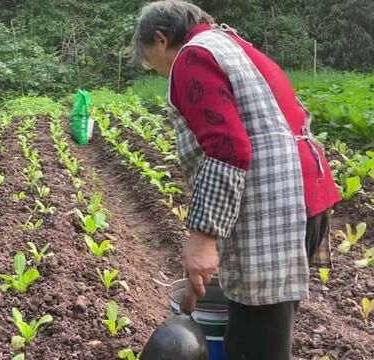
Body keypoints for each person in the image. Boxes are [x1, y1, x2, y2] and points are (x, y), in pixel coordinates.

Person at [131, 1, 342, 359]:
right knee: (262, 336)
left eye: (152, 63)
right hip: (304, 201)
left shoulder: (192, 58)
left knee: (253, 348)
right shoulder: (233, 45)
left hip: (275, 214)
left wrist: (203, 237)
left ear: (161, 38)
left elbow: (228, 148)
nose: (159, 72)